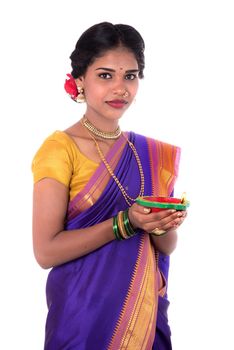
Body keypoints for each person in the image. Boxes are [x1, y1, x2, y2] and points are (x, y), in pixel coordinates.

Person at [32, 21, 187, 350]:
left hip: (143, 318)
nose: (120, 88)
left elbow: (167, 246)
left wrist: (162, 223)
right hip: (81, 321)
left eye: (130, 76)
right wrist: (125, 223)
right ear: (79, 81)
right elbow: (45, 251)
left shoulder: (151, 154)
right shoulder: (60, 149)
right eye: (105, 75)